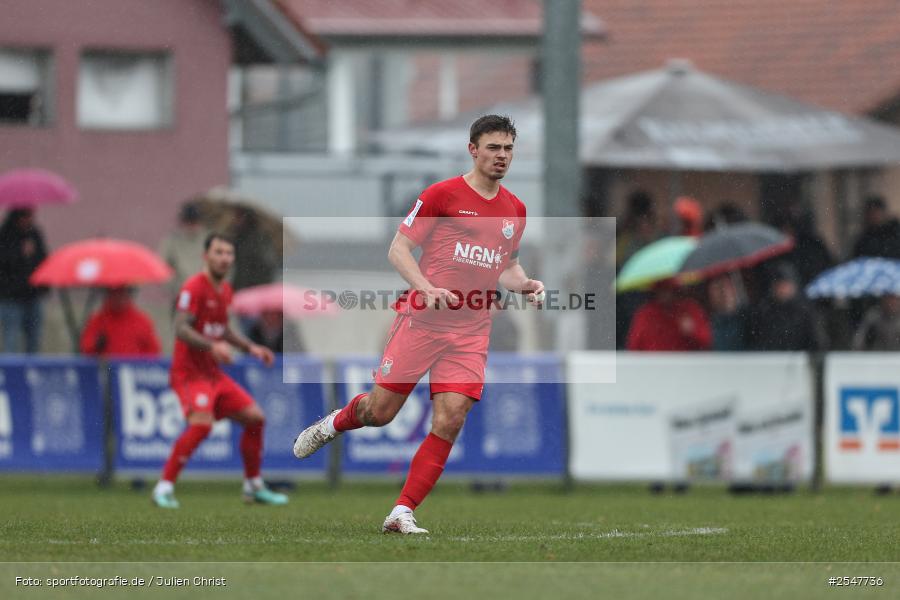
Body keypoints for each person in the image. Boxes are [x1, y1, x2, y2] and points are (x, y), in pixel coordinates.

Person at [292, 115, 543, 534]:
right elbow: (399, 249)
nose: (502, 156)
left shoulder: (514, 210)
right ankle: (334, 423)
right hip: (422, 323)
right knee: (380, 413)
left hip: (470, 331)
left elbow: (509, 267)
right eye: (494, 148)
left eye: (509, 149)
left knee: (451, 418)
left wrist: (527, 284)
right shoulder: (442, 195)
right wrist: (425, 286)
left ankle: (402, 510)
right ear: (473, 150)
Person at [151, 232, 287, 509]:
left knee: (255, 418)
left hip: (212, 375)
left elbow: (221, 328)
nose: (225, 258)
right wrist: (212, 347)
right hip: (189, 374)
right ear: (206, 256)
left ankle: (253, 487)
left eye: (229, 253)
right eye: (219, 252)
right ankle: (163, 488)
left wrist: (251, 348)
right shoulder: (193, 288)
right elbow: (181, 328)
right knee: (201, 425)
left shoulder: (224, 290)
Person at [747, 262, 825, 351]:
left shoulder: (806, 311)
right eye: (779, 285)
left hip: (797, 360)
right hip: (768, 360)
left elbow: (816, 339)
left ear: (794, 286)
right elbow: (756, 340)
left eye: (785, 285)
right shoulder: (763, 310)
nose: (782, 289)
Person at [0, 208, 48, 353]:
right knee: (11, 340)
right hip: (10, 298)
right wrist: (20, 253)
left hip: (32, 296)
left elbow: (43, 260)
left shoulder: (34, 235)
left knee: (34, 341)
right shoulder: (4, 236)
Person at [626, 281, 712, 351]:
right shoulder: (645, 313)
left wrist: (693, 331)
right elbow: (634, 345)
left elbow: (707, 341)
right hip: (653, 368)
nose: (665, 294)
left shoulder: (689, 309)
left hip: (684, 368)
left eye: (668, 289)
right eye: (662, 289)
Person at [79, 287, 161, 357]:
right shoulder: (97, 320)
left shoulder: (142, 321)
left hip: (133, 372)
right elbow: (86, 348)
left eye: (121, 293)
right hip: (105, 371)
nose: (118, 298)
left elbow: (153, 352)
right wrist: (96, 345)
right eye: (114, 293)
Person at [158, 201, 209, 303]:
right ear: (183, 222)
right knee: (183, 317)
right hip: (182, 293)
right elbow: (161, 265)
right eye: (188, 222)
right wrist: (174, 287)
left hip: (206, 293)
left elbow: (222, 264)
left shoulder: (208, 239)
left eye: (194, 222)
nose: (191, 226)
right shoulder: (172, 241)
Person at [706, 275, 747, 351]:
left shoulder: (749, 317)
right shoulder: (708, 324)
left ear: (734, 289)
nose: (723, 292)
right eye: (717, 288)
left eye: (727, 287)